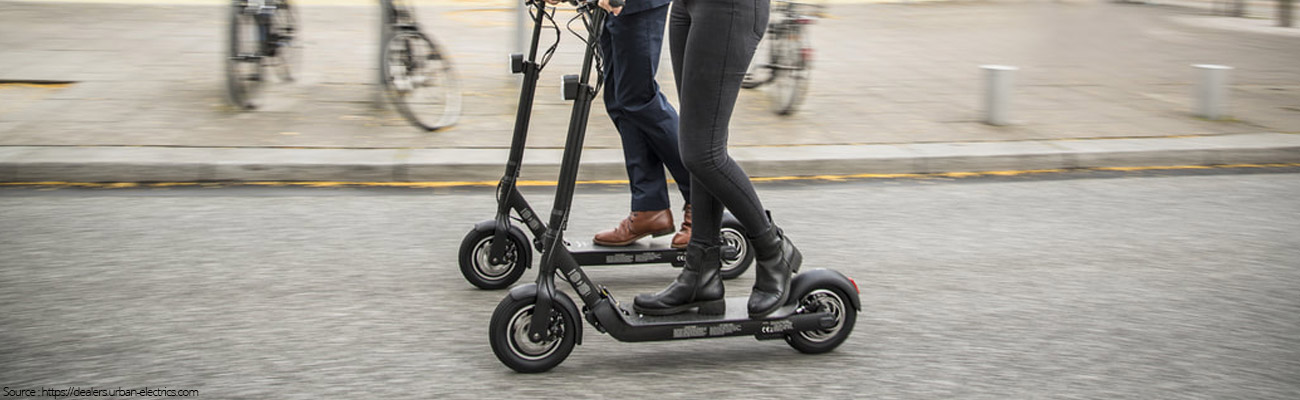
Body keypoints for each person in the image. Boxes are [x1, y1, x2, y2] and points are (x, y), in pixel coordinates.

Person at [600, 0, 802, 318]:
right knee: (697, 143)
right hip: (688, 7)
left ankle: (773, 250)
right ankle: (701, 274)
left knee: (702, 153)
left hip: (729, 9)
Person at [547, 0, 694, 249]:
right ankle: (650, 207)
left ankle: (703, 198)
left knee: (640, 99)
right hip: (608, 7)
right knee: (619, 100)